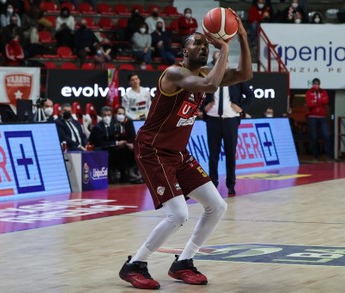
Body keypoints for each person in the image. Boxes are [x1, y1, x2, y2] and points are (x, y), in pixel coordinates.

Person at [118, 10, 252, 290]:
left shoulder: (203, 73)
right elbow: (211, 84)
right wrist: (224, 46)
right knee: (178, 214)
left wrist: (241, 36)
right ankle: (135, 264)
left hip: (178, 153)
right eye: (197, 43)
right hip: (153, 150)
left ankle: (183, 262)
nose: (203, 47)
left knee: (217, 206)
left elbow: (245, 73)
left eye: (207, 44)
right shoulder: (175, 73)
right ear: (183, 51)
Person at [202, 77, 254, 195]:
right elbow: (196, 95)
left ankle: (231, 184)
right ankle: (212, 184)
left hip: (230, 120)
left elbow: (250, 95)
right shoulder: (210, 79)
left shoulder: (236, 80)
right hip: (212, 119)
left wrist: (241, 109)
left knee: (230, 154)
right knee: (213, 154)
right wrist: (203, 108)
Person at [89, 106, 133, 183]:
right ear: (101, 116)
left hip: (112, 147)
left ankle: (124, 175)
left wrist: (124, 143)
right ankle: (110, 175)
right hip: (101, 148)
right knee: (110, 152)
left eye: (109, 115)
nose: (107, 117)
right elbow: (100, 143)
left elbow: (116, 137)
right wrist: (116, 143)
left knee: (124, 150)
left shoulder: (114, 125)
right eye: (105, 115)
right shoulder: (97, 127)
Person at [113, 106, 143, 184]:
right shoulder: (112, 124)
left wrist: (130, 144)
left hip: (125, 145)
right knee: (124, 151)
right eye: (119, 113)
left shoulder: (127, 124)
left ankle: (136, 173)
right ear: (115, 114)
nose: (121, 116)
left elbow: (129, 137)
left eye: (123, 114)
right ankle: (126, 175)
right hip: (115, 146)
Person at [305, 78, 332, 161]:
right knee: (314, 137)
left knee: (326, 135)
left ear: (319, 84)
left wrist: (315, 102)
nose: (316, 85)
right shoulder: (308, 92)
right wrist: (319, 102)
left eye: (317, 84)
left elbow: (326, 101)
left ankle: (328, 155)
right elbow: (309, 104)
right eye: (315, 84)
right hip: (312, 117)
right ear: (312, 84)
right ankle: (315, 156)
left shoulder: (323, 92)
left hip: (322, 117)